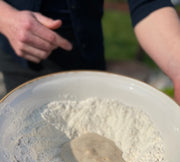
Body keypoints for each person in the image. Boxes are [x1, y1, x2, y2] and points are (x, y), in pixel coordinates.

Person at [0, 0, 179, 105]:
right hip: (24, 52)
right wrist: (7, 19)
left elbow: (147, 4)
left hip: (86, 49)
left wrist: (177, 66)